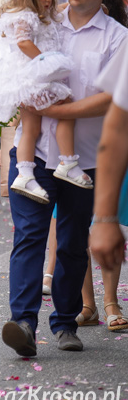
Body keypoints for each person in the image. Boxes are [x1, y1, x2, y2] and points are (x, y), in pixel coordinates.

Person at [1, 0, 127, 357]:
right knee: (30, 236)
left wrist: (55, 109)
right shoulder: (41, 18)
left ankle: (66, 321)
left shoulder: (116, 37)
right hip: (34, 153)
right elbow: (10, 65)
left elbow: (112, 99)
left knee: (73, 243)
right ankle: (23, 322)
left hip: (85, 158)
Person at [0, 0, 90, 204]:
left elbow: (59, 10)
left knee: (31, 128)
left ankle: (25, 174)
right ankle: (67, 161)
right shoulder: (25, 16)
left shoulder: (40, 12)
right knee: (66, 108)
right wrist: (45, 61)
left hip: (30, 77)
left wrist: (71, 5)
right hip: (32, 77)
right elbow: (23, 42)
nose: (49, 0)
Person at [88, 41, 128, 331]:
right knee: (71, 227)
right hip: (73, 146)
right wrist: (105, 218)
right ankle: (85, 303)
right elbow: (119, 124)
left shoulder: (116, 34)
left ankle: (110, 300)